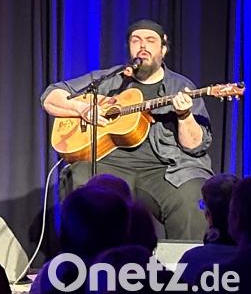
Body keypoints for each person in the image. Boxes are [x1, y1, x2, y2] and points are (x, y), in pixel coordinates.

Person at [41, 19, 212, 240]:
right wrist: (82, 108)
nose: (143, 46)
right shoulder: (110, 79)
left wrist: (185, 115)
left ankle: (186, 262)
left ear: (163, 49)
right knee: (81, 178)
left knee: (192, 194)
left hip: (164, 169)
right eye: (136, 40)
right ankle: (88, 258)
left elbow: (195, 147)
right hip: (109, 163)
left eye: (150, 40)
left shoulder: (181, 87)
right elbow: (50, 97)